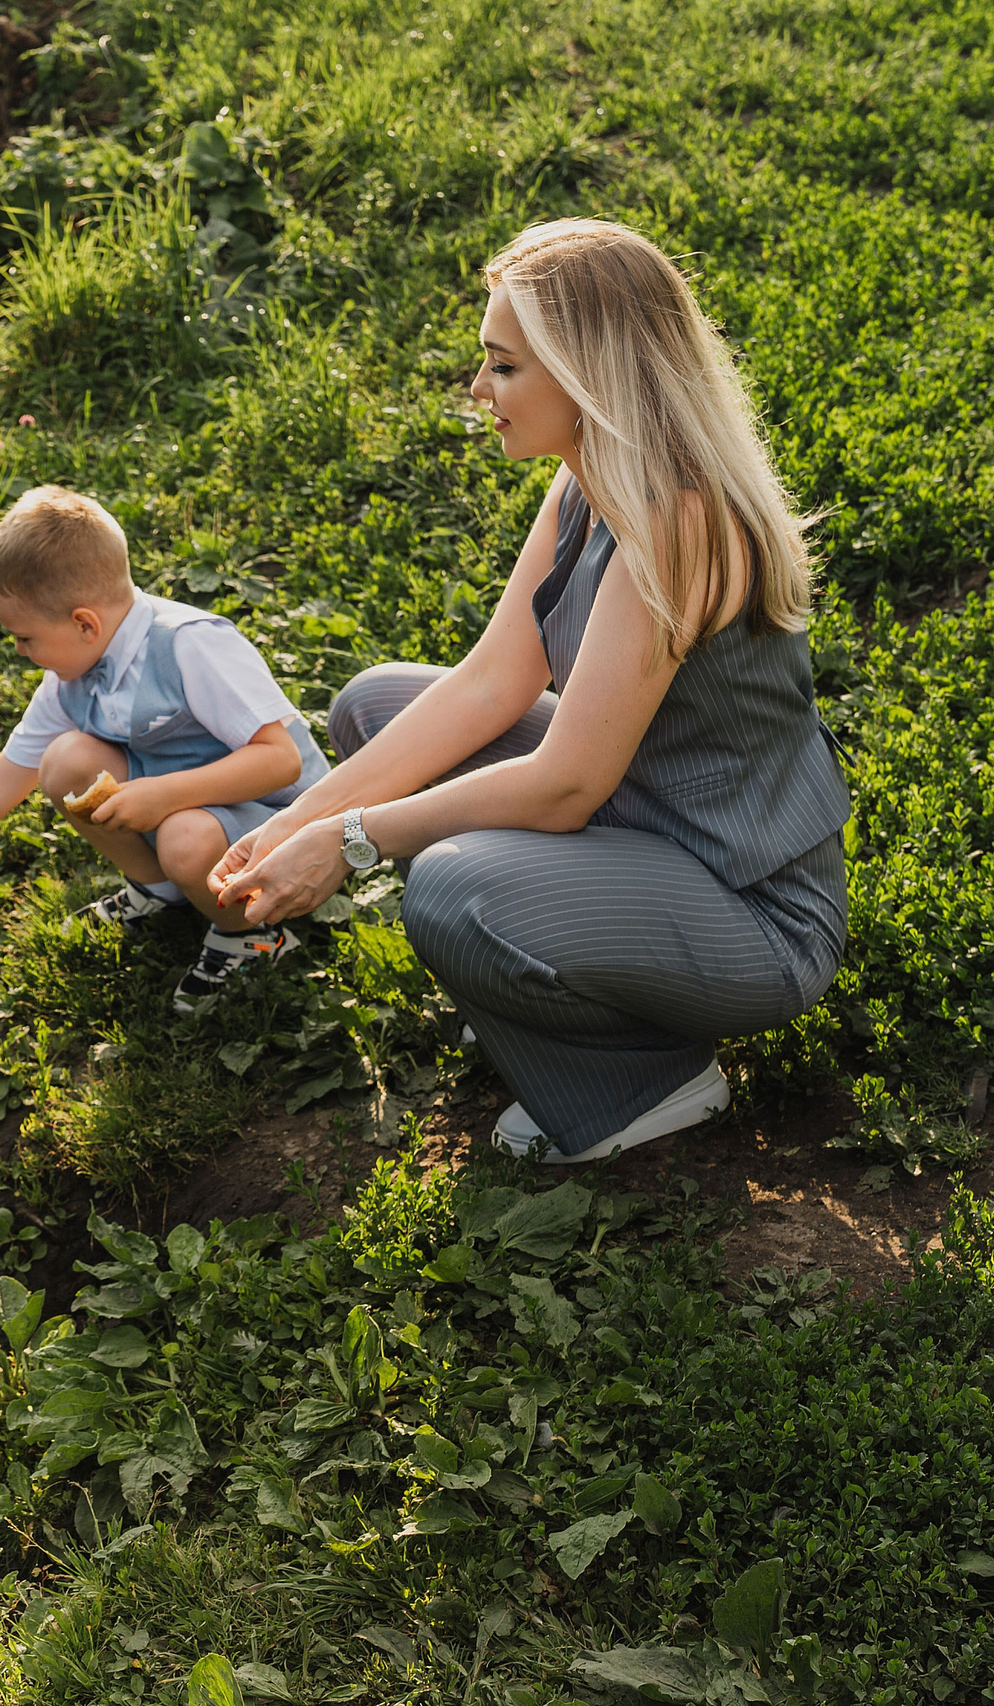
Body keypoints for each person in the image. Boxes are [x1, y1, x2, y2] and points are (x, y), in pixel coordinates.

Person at [209, 218, 850, 1163]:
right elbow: (488, 685)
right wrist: (302, 814)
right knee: (373, 705)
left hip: (750, 910)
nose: (478, 391)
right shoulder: (587, 480)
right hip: (649, 818)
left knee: (452, 890)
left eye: (504, 367)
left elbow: (564, 785)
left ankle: (646, 1084)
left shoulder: (679, 521)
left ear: (590, 374)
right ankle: (557, 977)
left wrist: (350, 840)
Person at [0, 485, 332, 1009]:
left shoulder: (191, 644)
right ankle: (163, 890)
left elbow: (279, 759)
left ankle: (251, 933)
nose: (19, 651)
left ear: (85, 623)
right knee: (64, 762)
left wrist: (163, 794)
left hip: (284, 825)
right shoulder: (72, 677)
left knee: (183, 834)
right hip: (193, 809)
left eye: (24, 637)